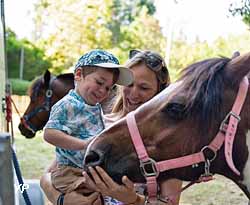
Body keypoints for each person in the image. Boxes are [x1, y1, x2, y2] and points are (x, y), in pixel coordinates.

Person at [40, 49, 182, 205]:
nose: (133, 93)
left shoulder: (166, 142)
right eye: (130, 85)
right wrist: (62, 200)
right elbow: (48, 175)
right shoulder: (99, 124)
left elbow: (170, 203)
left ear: (159, 93)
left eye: (144, 88)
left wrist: (134, 199)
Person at [43, 49, 133, 198]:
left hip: (86, 171)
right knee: (101, 190)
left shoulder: (94, 107)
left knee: (106, 188)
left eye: (108, 88)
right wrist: (84, 144)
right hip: (69, 172)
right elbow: (49, 134)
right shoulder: (67, 104)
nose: (103, 91)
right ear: (79, 75)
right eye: (99, 82)